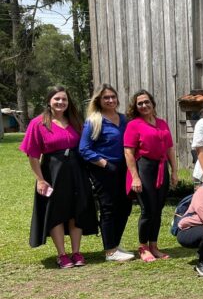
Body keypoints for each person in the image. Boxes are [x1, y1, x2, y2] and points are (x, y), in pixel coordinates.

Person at [20, 86, 98, 268]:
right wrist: (40, 179)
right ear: (49, 101)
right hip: (53, 173)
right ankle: (62, 255)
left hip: (77, 172)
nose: (61, 102)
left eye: (64, 99)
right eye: (57, 99)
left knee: (76, 210)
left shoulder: (76, 121)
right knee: (57, 212)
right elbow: (32, 156)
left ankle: (76, 252)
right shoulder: (38, 123)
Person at [79, 84, 134, 262]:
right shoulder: (93, 121)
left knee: (125, 207)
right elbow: (84, 149)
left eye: (113, 97)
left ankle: (115, 244)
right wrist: (104, 164)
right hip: (103, 170)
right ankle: (110, 251)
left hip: (123, 169)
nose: (110, 100)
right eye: (106, 98)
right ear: (99, 100)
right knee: (109, 208)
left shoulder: (124, 119)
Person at [124, 89, 178, 262]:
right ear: (136, 106)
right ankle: (143, 247)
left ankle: (154, 245)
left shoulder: (162, 123)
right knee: (148, 209)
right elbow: (128, 153)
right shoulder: (134, 125)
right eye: (140, 103)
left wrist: (174, 171)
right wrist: (135, 177)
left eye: (147, 102)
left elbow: (170, 148)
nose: (144, 105)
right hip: (144, 168)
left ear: (153, 104)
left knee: (158, 209)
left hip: (161, 168)